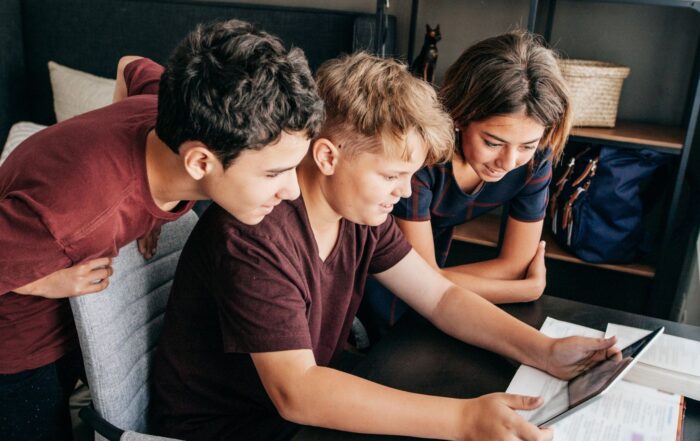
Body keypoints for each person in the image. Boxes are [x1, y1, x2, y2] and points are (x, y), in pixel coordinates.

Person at [150, 52, 616, 441]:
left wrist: (543, 350)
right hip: (230, 428)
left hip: (297, 409)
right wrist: (463, 420)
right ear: (328, 156)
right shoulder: (254, 234)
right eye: (393, 176)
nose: (405, 191)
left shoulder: (360, 214)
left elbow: (439, 296)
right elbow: (298, 392)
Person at [0, 19, 323, 441]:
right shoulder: (74, 215)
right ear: (200, 163)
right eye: (274, 172)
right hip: (19, 344)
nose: (293, 190)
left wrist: (151, 214)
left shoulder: (171, 106)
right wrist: (42, 279)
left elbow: (130, 64)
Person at [364, 30, 573, 330]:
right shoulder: (423, 160)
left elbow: (514, 265)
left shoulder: (535, 160)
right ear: (460, 116)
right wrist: (526, 289)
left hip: (435, 288)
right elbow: (418, 278)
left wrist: (439, 279)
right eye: (493, 142)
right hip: (375, 273)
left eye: (526, 146)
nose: (509, 161)